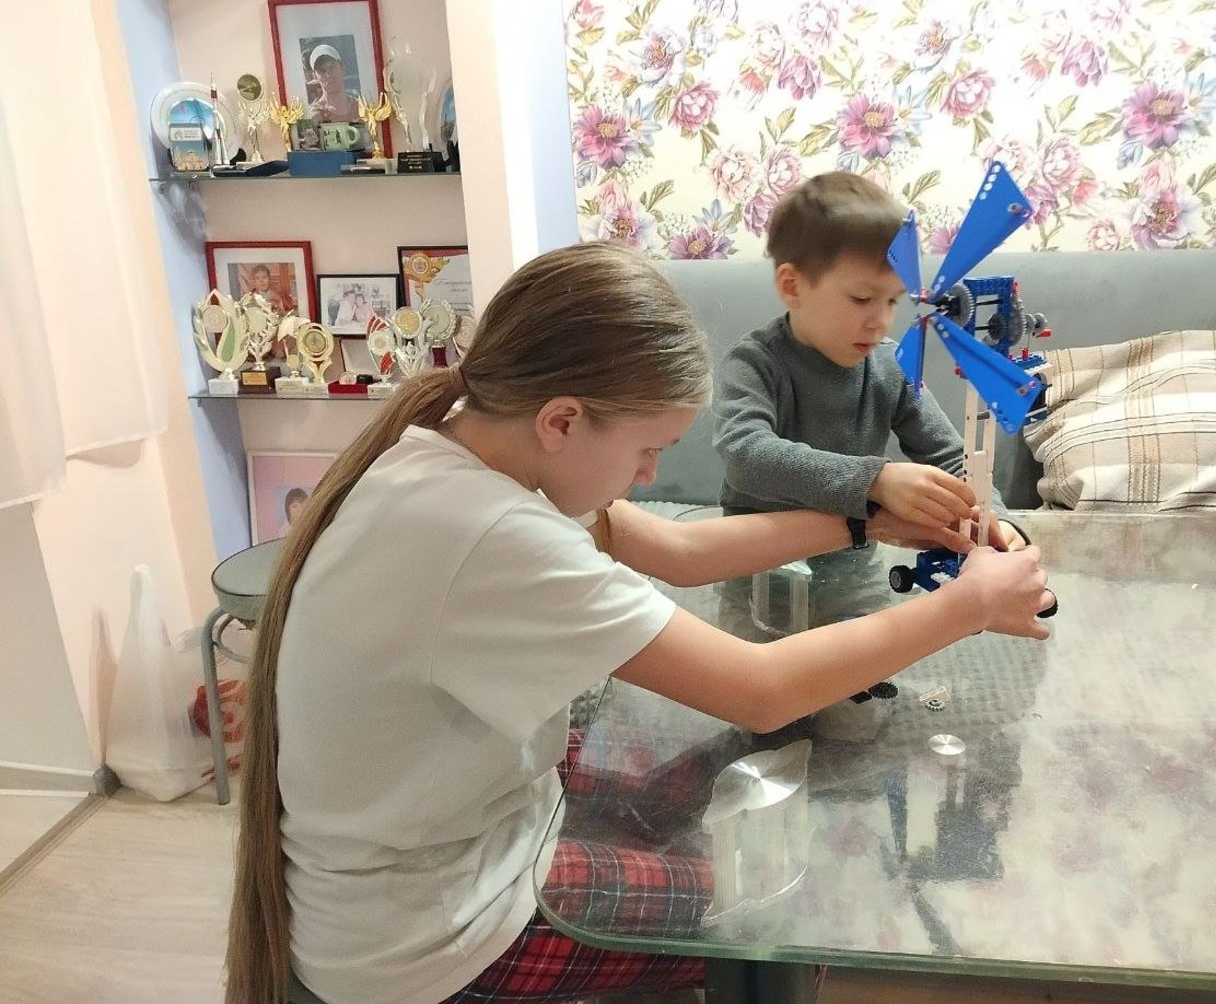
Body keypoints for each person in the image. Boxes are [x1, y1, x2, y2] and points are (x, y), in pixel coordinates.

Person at [225, 242, 1052, 1004]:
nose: (652, 474)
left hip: (434, 852)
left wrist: (866, 519)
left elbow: (682, 551)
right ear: (562, 419)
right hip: (430, 936)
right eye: (648, 449)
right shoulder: (492, 534)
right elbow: (760, 687)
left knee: (717, 775)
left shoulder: (460, 447)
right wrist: (970, 605)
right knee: (782, 903)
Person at [713, 171, 1025, 549]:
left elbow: (951, 457)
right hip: (758, 559)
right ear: (793, 287)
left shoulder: (890, 364)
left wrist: (997, 519)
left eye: (892, 300)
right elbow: (745, 457)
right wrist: (877, 481)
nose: (881, 321)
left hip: (854, 559)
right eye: (861, 298)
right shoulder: (753, 363)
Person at [306, 43, 359, 123]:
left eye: (332, 67)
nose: (328, 75)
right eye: (321, 70)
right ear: (315, 76)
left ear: (342, 67)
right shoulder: (314, 116)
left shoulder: (360, 107)